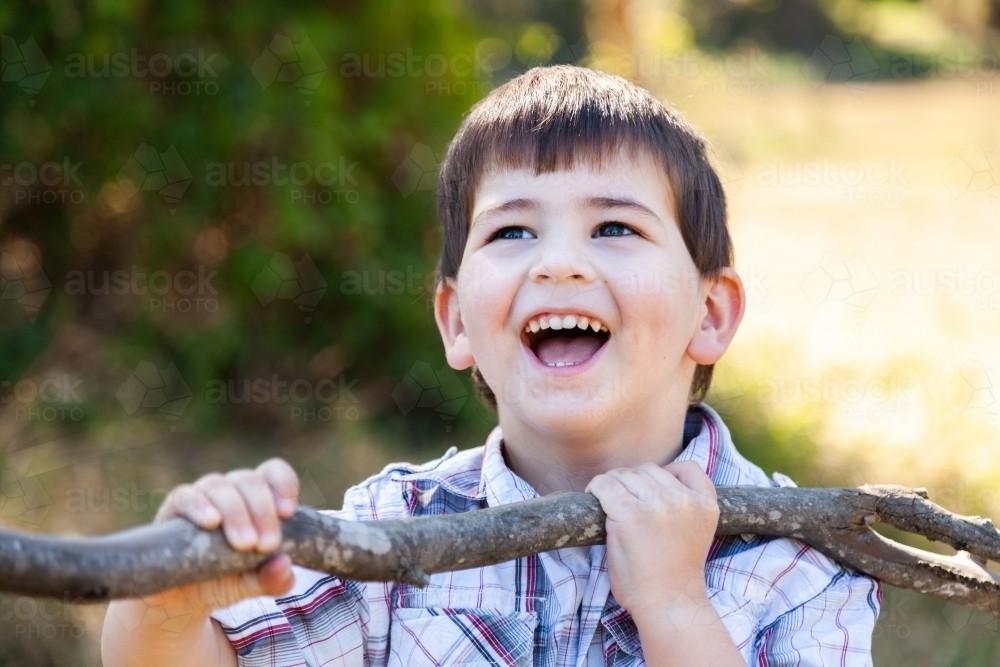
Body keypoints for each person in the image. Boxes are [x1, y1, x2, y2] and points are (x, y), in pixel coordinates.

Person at [102, 65, 881, 667]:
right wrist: (167, 601)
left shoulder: (801, 559)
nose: (559, 264)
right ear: (456, 321)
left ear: (709, 314)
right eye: (512, 233)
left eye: (613, 226)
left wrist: (676, 606)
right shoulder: (397, 528)